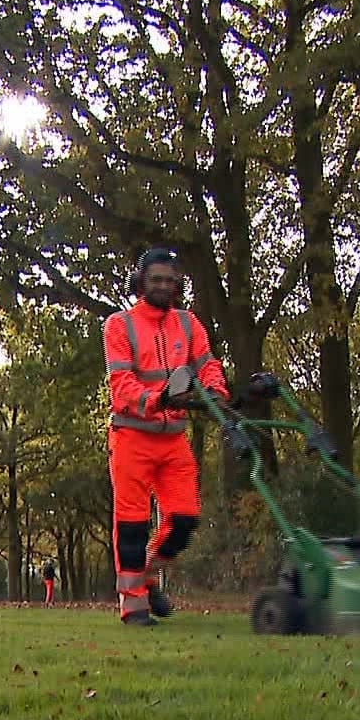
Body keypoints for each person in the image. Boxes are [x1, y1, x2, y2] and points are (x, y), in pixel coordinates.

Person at [102, 248, 229, 626]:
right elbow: (121, 386)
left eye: (169, 280)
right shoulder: (119, 326)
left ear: (178, 285)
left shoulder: (189, 325)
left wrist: (217, 392)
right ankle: (134, 606)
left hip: (173, 438)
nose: (162, 285)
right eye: (155, 279)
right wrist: (156, 399)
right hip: (131, 437)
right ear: (140, 282)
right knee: (133, 524)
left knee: (184, 519)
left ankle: (144, 576)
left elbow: (206, 365)